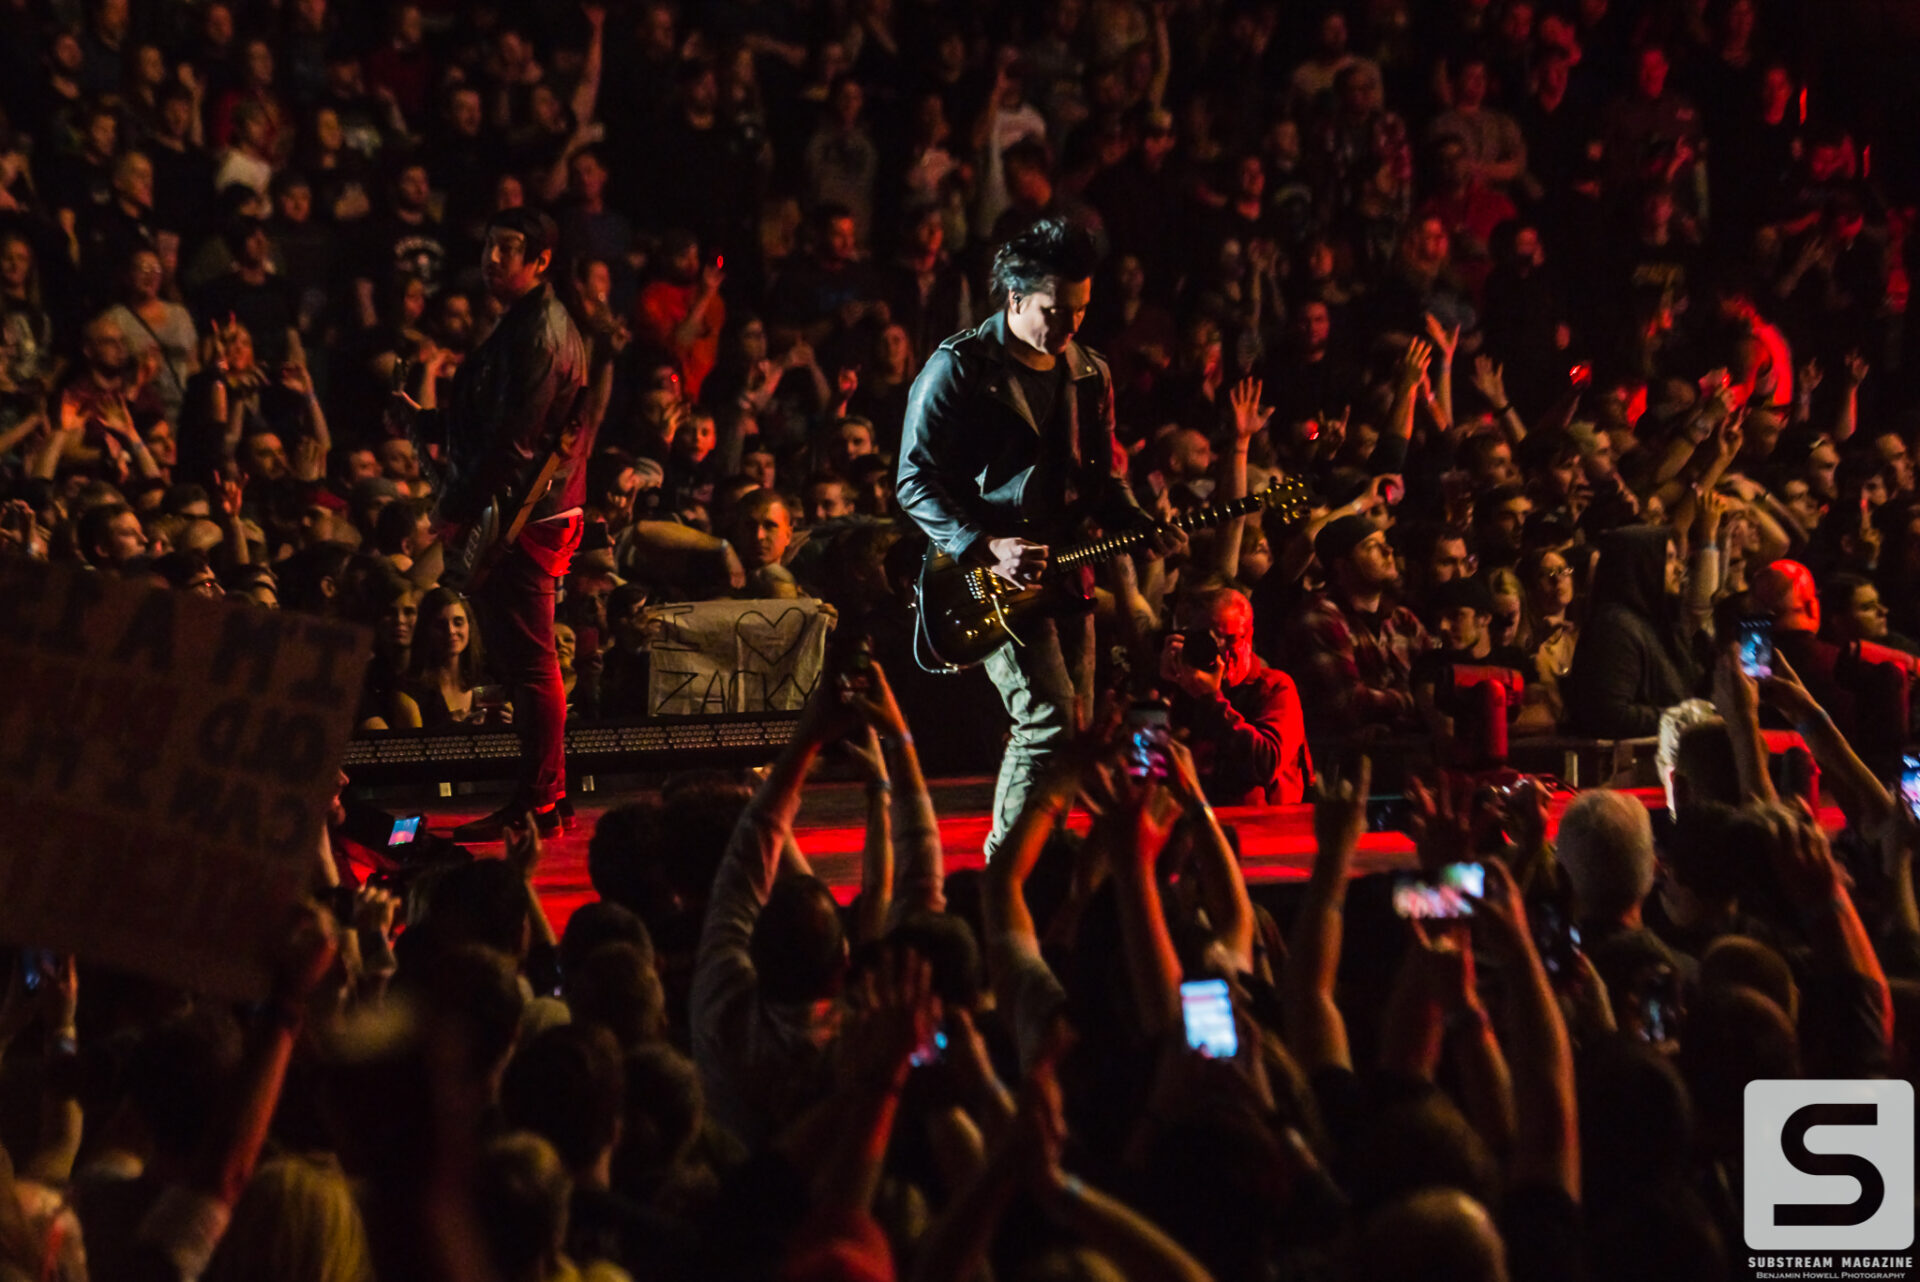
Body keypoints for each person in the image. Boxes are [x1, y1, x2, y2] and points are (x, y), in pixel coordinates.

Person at [896, 217, 1178, 856]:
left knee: (1073, 727)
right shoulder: (959, 366)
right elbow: (913, 481)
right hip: (987, 572)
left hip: (1067, 568)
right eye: (1056, 310)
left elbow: (1103, 478)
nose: (1070, 325)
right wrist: (984, 546)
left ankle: (1038, 862)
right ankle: (1009, 868)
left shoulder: (1090, 371)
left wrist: (1138, 522)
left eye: (1081, 309)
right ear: (1016, 297)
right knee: (1048, 719)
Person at [421, 208, 592, 841]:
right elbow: (497, 424)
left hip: (527, 511)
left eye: (508, 249)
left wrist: (455, 509)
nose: (492, 259)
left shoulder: (541, 331)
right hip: (524, 504)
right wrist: (428, 423)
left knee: (532, 662)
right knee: (527, 660)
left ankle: (539, 800)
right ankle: (549, 792)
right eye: (489, 245)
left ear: (541, 260)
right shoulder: (525, 322)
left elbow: (515, 442)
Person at [1286, 513, 1431, 742]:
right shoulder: (1319, 618)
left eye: (1385, 542)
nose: (1388, 551)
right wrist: (1419, 700)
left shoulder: (1403, 620)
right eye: (1372, 546)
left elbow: (1436, 677)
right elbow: (1348, 703)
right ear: (1342, 566)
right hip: (1346, 754)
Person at [1158, 585, 1308, 804]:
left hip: (1261, 822)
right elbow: (1144, 764)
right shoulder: (1184, 688)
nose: (1221, 651)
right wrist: (1161, 687)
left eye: (1230, 640)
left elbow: (1267, 763)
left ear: (1249, 637)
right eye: (1210, 640)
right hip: (1197, 819)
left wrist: (1212, 701)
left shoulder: (1275, 687)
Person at [1566, 525, 1701, 738]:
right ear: (1640, 564)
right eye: (1668, 559)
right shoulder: (1615, 627)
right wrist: (1683, 717)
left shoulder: (1656, 624)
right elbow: (1609, 715)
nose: (1678, 569)